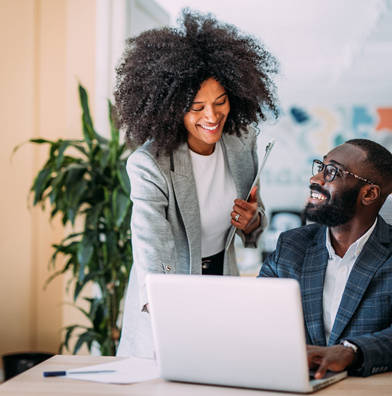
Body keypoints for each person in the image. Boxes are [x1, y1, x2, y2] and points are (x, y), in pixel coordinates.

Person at [114, 9, 280, 358]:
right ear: (171, 108)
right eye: (197, 107)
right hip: (168, 291)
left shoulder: (240, 140)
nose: (212, 116)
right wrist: (160, 304)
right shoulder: (149, 164)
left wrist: (253, 220)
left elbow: (255, 213)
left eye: (220, 102)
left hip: (223, 284)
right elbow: (149, 240)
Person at [259, 139, 392, 378]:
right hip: (297, 384)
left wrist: (350, 352)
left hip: (369, 389)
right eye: (320, 167)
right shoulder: (291, 246)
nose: (315, 179)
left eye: (331, 172)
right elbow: (257, 315)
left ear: (368, 194)